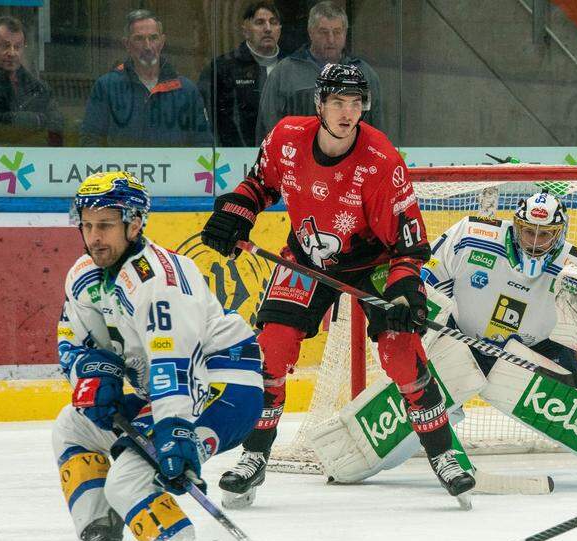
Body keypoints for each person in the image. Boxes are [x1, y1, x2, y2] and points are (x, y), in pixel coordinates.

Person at [201, 63, 474, 506]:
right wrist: (236, 213)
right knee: (271, 349)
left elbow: (408, 245)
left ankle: (443, 455)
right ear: (319, 104)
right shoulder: (287, 138)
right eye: (337, 102)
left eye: (355, 103)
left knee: (401, 351)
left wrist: (404, 291)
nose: (348, 113)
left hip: (377, 261)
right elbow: (260, 184)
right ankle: (253, 456)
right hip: (308, 258)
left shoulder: (382, 160)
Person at [310, 191, 577, 488]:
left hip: (538, 348)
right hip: (464, 338)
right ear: (515, 225)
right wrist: (411, 307)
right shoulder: (471, 235)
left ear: (559, 234)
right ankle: (350, 460)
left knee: (569, 406)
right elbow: (424, 283)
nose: (534, 241)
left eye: (544, 235)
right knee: (425, 402)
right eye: (528, 231)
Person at [41, 171, 262, 541]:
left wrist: (175, 432)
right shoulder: (86, 274)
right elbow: (71, 341)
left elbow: (172, 366)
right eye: (87, 224)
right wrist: (91, 371)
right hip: (171, 389)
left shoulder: (160, 281)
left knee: (129, 479)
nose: (94, 236)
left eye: (105, 225)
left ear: (135, 224)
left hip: (223, 388)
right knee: (71, 426)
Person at [79, 9, 212, 147]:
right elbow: (90, 141)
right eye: (139, 39)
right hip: (122, 169)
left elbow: (204, 144)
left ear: (162, 42)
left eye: (153, 38)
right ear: (127, 44)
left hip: (174, 168)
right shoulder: (107, 86)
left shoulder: (186, 90)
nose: (147, 46)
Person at [254, 1, 380, 144]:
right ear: (311, 32)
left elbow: (375, 133)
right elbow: (268, 130)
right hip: (297, 160)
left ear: (345, 33)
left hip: (351, 162)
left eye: (337, 32)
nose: (331, 39)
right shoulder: (284, 73)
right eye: (324, 32)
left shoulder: (364, 74)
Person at [198, 2, 290, 147]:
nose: (267, 29)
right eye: (260, 23)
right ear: (246, 31)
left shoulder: (292, 67)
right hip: (236, 159)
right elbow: (209, 124)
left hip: (285, 157)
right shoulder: (222, 68)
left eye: (273, 23)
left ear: (280, 29)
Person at [0, 15, 64, 146]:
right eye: (5, 46)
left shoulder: (39, 88)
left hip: (35, 160)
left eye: (17, 47)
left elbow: (57, 124)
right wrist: (32, 120)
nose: (12, 53)